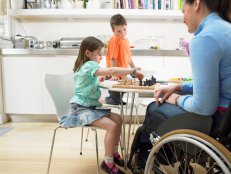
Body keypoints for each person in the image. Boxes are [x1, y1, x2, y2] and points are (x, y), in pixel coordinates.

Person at [128, 0, 231, 172]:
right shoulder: (226, 29)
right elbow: (218, 81)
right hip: (228, 118)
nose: (183, 18)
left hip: (218, 122)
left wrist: (177, 99)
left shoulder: (205, 38)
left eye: (183, 11)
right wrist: (179, 87)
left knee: (154, 107)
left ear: (196, 4)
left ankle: (143, 159)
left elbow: (203, 107)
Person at [60, 36, 144, 174]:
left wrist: (101, 78)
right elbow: (111, 70)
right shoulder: (89, 65)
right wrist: (133, 71)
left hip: (90, 107)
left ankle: (114, 153)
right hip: (80, 110)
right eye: (99, 54)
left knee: (118, 119)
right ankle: (108, 162)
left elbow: (92, 81)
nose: (101, 57)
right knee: (112, 125)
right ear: (88, 53)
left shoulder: (86, 67)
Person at [105, 13, 140, 105]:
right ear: (113, 30)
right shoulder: (114, 40)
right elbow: (113, 59)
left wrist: (133, 67)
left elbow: (128, 57)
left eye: (124, 29)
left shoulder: (126, 40)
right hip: (114, 74)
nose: (122, 33)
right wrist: (114, 75)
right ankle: (104, 100)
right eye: (119, 31)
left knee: (121, 99)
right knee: (115, 100)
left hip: (122, 73)